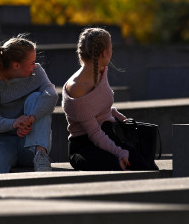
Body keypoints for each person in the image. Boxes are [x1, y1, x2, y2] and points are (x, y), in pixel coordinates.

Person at [62, 27, 155, 171]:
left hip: (109, 135)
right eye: (111, 47)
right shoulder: (77, 88)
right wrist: (119, 152)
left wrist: (120, 117)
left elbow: (99, 106)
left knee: (144, 165)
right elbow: (94, 134)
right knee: (118, 167)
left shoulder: (101, 70)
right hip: (85, 146)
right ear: (104, 52)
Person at [0, 35, 57, 174]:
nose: (35, 65)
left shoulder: (37, 72)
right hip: (1, 143)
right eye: (31, 62)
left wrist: (31, 118)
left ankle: (41, 156)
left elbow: (52, 96)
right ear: (16, 65)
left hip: (32, 142)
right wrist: (14, 123)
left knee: (37, 97)